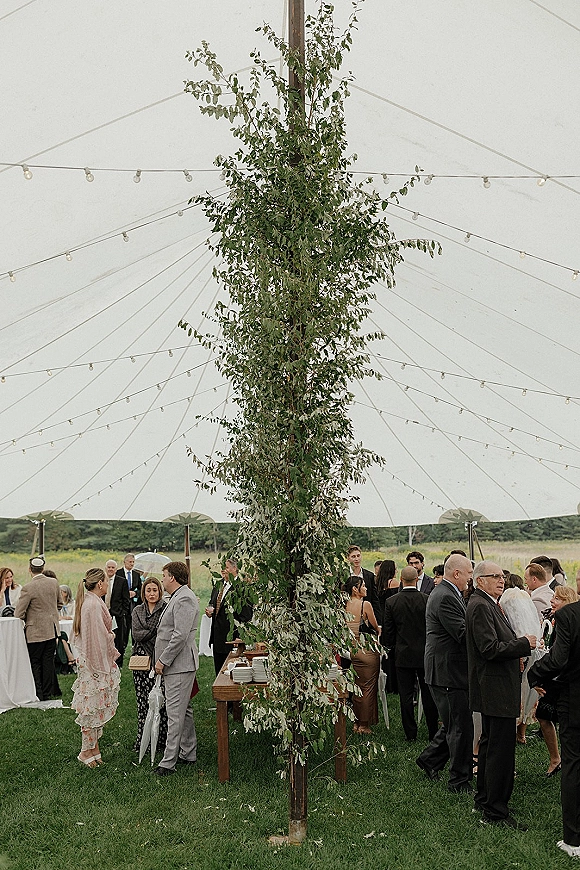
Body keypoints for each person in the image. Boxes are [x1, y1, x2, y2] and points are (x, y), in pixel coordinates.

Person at [466, 561, 536, 829]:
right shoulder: (481, 605)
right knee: (500, 750)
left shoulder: (487, 602)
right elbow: (489, 648)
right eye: (494, 576)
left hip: (494, 686)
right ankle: (495, 810)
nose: (501, 580)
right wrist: (523, 644)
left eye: (502, 576)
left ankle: (486, 799)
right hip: (494, 688)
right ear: (479, 580)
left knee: (489, 744)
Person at [528, 588, 580, 857]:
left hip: (575, 698)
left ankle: (573, 839)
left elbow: (558, 659)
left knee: (573, 762)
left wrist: (534, 674)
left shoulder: (570, 615)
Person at [416, 554, 474, 793]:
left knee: (454, 722)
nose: (470, 579)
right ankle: (459, 781)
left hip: (447, 669)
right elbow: (462, 633)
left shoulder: (448, 593)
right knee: (460, 728)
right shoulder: (445, 596)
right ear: (456, 573)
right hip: (447, 671)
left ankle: (429, 760)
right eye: (469, 574)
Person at [382, 566, 439, 742]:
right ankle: (433, 731)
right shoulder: (427, 600)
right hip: (424, 653)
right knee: (428, 694)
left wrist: (391, 648)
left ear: (401, 579)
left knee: (406, 696)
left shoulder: (392, 602)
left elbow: (388, 631)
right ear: (416, 580)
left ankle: (410, 733)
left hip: (403, 653)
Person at [154, 561, 199, 776]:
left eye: (164, 576)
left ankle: (168, 762)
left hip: (179, 665)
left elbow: (179, 635)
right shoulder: (177, 596)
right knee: (184, 710)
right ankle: (188, 752)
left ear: (172, 577)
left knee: (175, 714)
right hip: (178, 664)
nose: (162, 579)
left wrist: (163, 660)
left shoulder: (184, 598)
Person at [71, 568, 120, 768]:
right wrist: (112, 636)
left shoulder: (92, 601)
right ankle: (85, 750)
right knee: (91, 707)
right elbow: (98, 637)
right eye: (106, 581)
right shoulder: (92, 604)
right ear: (100, 583)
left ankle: (94, 747)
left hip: (90, 661)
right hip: (93, 663)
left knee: (96, 705)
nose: (108, 584)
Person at [534, 585, 578, 778]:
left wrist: (536, 674)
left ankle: (560, 760)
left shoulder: (567, 621)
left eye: (557, 599)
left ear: (567, 602)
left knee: (554, 719)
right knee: (543, 716)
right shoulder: (555, 619)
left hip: (561, 680)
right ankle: (556, 759)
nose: (552, 601)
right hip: (555, 677)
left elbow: (561, 657)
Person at [14, 557, 62, 701]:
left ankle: (38, 693)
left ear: (30, 569)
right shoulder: (53, 583)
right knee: (47, 662)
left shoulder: (28, 588)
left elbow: (18, 613)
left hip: (35, 631)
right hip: (52, 629)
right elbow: (59, 604)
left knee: (35, 663)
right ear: (43, 568)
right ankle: (47, 693)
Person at [131, 576, 168, 754]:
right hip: (141, 661)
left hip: (160, 658)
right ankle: (143, 740)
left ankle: (162, 740)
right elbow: (136, 634)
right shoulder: (137, 610)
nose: (152, 594)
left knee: (161, 702)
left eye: (155, 590)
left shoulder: (166, 609)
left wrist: (150, 632)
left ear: (160, 591)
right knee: (143, 702)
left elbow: (165, 634)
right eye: (148, 590)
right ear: (143, 593)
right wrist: (154, 631)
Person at [345, 575, 380, 734]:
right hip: (367, 650)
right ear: (355, 589)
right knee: (368, 688)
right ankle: (364, 725)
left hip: (352, 650)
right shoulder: (365, 605)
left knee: (358, 687)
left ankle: (356, 723)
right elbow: (374, 626)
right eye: (363, 585)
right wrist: (378, 630)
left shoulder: (344, 604)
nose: (366, 588)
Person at [206, 558, 253, 676]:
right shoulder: (218, 584)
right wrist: (210, 611)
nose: (223, 570)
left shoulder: (242, 588)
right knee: (219, 673)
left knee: (232, 673)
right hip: (217, 638)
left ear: (235, 568)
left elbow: (246, 616)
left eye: (226, 567)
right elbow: (212, 603)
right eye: (222, 567)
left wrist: (239, 637)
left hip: (232, 640)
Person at [375, 559, 399, 693]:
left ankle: (386, 684)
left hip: (381, 617)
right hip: (391, 617)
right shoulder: (393, 583)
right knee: (393, 650)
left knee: (385, 651)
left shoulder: (378, 583)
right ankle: (394, 683)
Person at [106, 559, 130, 667]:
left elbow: (126, 599)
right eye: (109, 567)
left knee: (119, 639)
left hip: (118, 615)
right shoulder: (102, 580)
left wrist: (122, 612)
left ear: (116, 569)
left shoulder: (122, 581)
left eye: (112, 567)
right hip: (104, 614)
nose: (110, 569)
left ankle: (118, 663)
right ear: (106, 568)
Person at [346, 545, 379, 616]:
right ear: (348, 558)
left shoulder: (369, 575)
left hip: (366, 614)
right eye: (353, 556)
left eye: (358, 556)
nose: (356, 559)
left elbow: (374, 599)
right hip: (348, 613)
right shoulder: (344, 575)